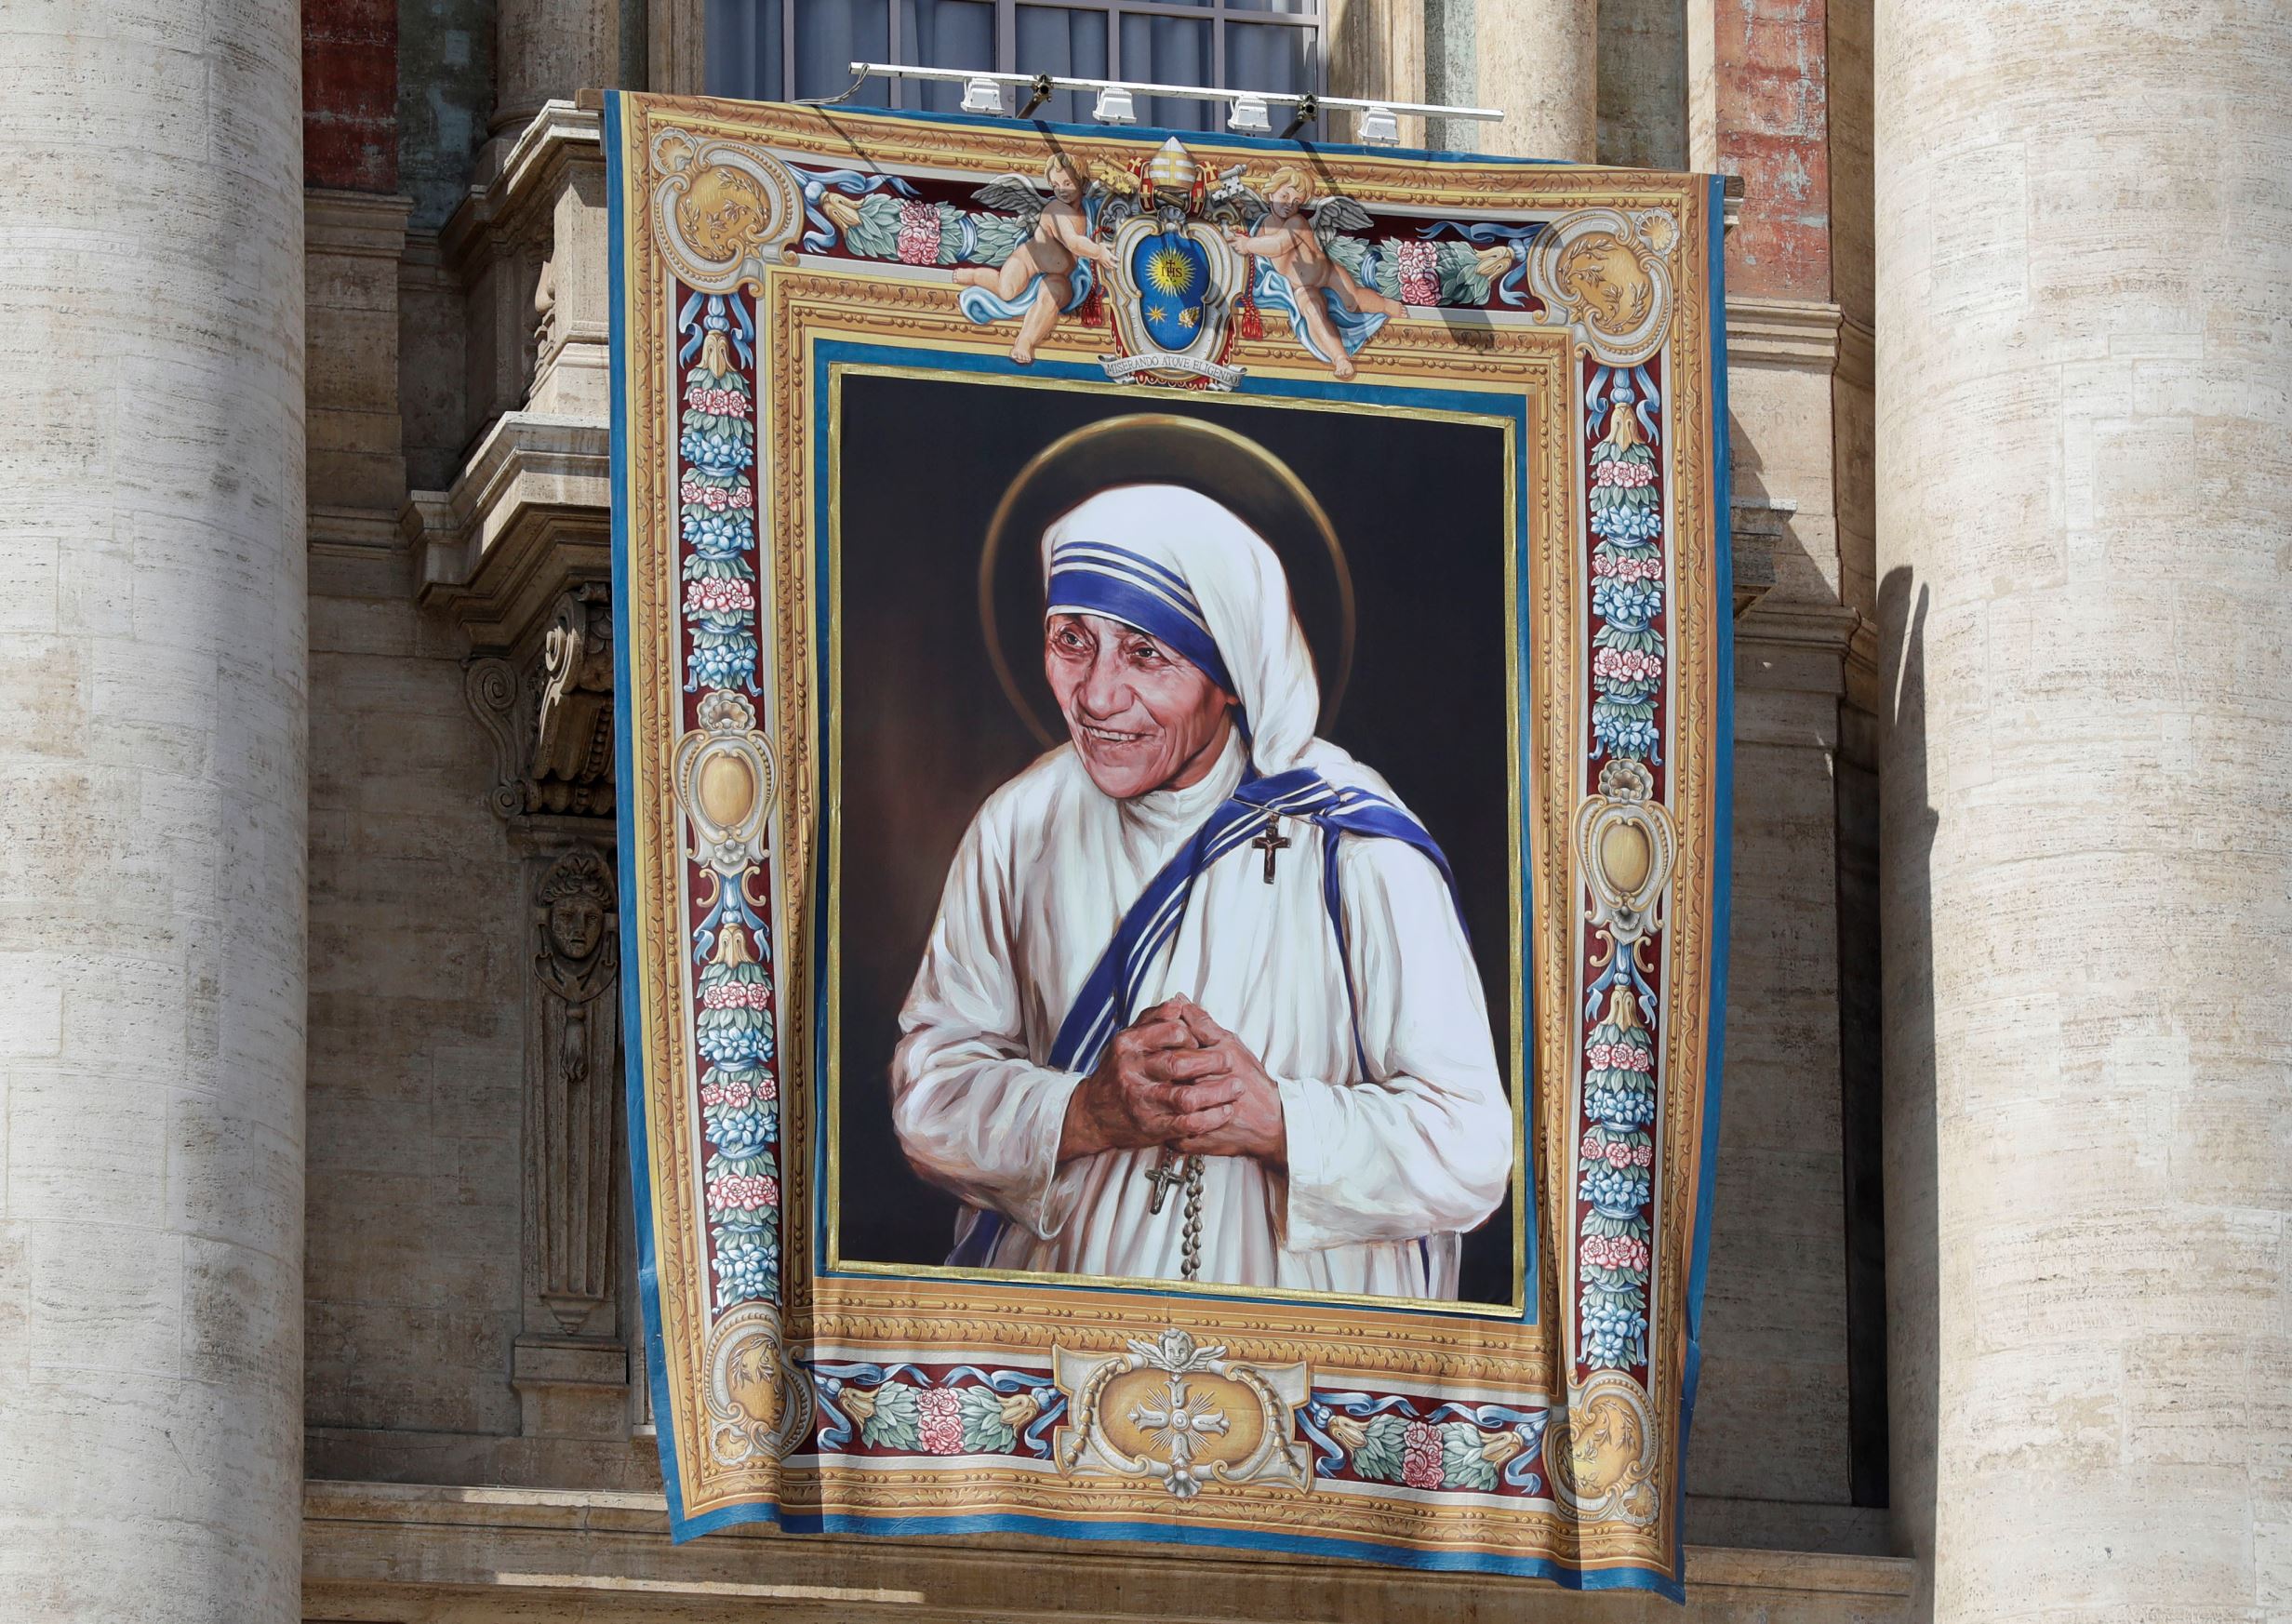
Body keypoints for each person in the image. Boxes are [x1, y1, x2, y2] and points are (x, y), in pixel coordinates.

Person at [889, 483, 1510, 1299]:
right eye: (1072, 641)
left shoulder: (1353, 840)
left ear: (1231, 674)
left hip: (1308, 1359)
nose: (1097, 696)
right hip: (1065, 1346)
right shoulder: (1020, 826)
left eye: (1146, 653)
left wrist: (1279, 1120)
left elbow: (1470, 1148)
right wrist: (1086, 1113)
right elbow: (930, 1096)